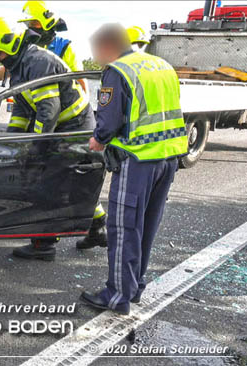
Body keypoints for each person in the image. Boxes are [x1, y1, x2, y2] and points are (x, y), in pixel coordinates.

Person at [80, 23, 187, 315]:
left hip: (137, 159)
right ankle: (135, 286)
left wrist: (97, 139)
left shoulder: (119, 70)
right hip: (168, 159)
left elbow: (109, 120)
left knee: (124, 228)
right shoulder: (162, 65)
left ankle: (117, 296)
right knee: (146, 227)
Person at [0, 17, 96, 261]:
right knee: (70, 182)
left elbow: (48, 109)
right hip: (62, 124)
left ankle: (43, 246)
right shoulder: (20, 68)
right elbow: (23, 111)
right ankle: (99, 228)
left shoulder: (37, 62)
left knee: (49, 182)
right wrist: (11, 143)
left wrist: (37, 145)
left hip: (73, 123)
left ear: (10, 45)